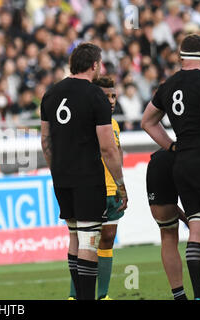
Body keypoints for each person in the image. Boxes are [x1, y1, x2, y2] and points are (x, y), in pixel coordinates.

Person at [41, 43, 127, 300]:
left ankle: (78, 296)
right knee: (89, 240)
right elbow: (108, 148)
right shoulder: (95, 96)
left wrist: (55, 170)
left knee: (75, 237)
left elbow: (46, 143)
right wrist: (120, 183)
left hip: (62, 177)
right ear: (94, 65)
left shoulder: (50, 94)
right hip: (88, 178)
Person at [141, 34, 200, 300]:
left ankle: (188, 296)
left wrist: (171, 146)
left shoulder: (168, 86)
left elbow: (148, 121)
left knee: (194, 227)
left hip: (181, 161)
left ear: (180, 58)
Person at [67, 76, 124, 300]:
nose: (110, 100)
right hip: (91, 188)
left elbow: (117, 152)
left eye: (113, 96)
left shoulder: (115, 124)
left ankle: (103, 295)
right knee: (84, 242)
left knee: (108, 238)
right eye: (105, 96)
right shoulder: (87, 121)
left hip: (112, 189)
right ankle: (75, 294)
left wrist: (120, 184)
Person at [146, 148, 191, 300]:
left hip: (161, 159)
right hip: (194, 156)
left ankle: (179, 296)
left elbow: (147, 124)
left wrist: (187, 220)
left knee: (168, 234)